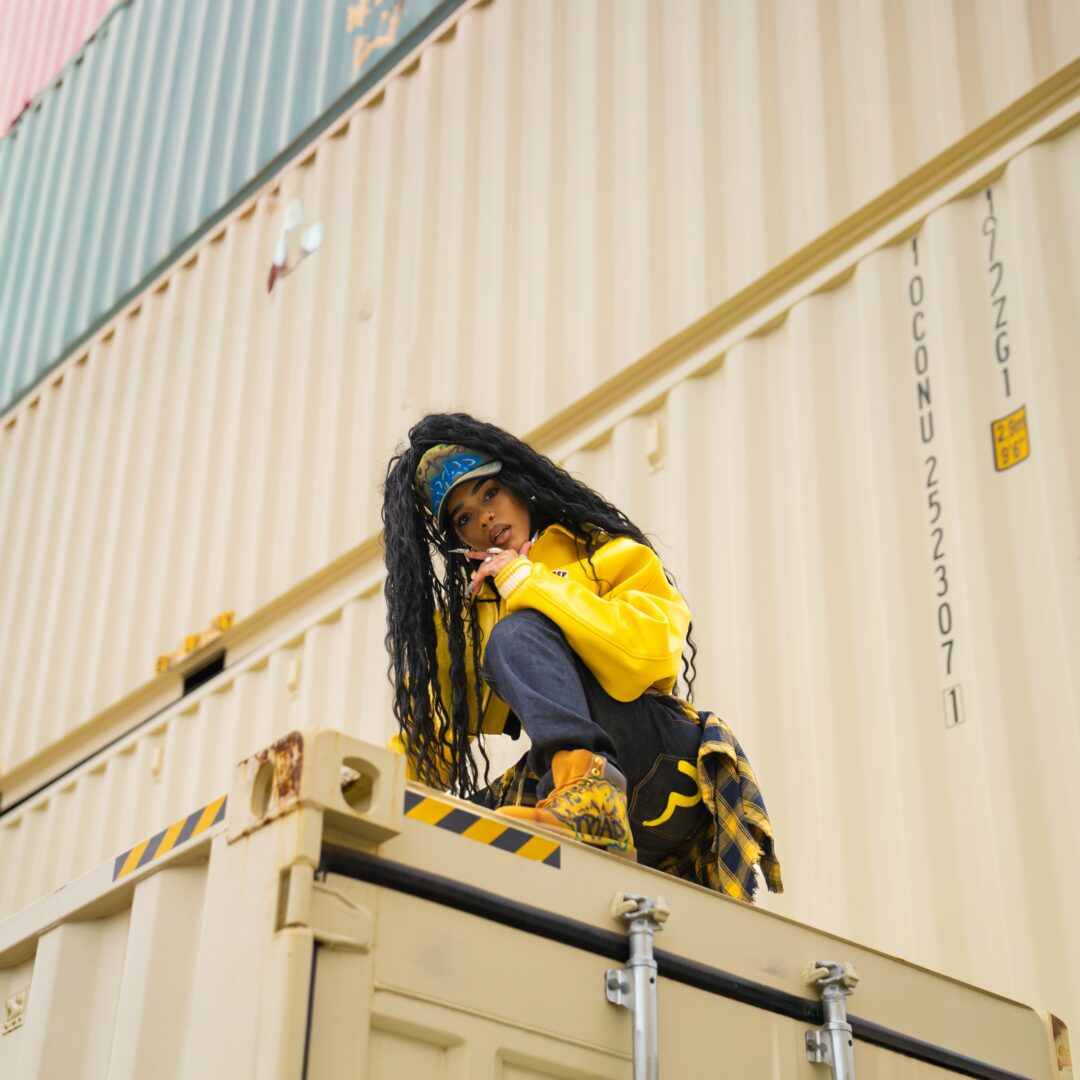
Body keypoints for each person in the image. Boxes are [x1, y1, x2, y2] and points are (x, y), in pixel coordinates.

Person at [382, 413, 782, 900]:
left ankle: (590, 791)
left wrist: (528, 582)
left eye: (490, 493)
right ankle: (585, 807)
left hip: (661, 760)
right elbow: (431, 740)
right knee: (463, 835)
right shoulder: (469, 624)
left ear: (518, 484)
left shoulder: (602, 553)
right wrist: (369, 787)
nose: (483, 518)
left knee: (515, 634)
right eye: (463, 517)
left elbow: (649, 659)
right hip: (605, 812)